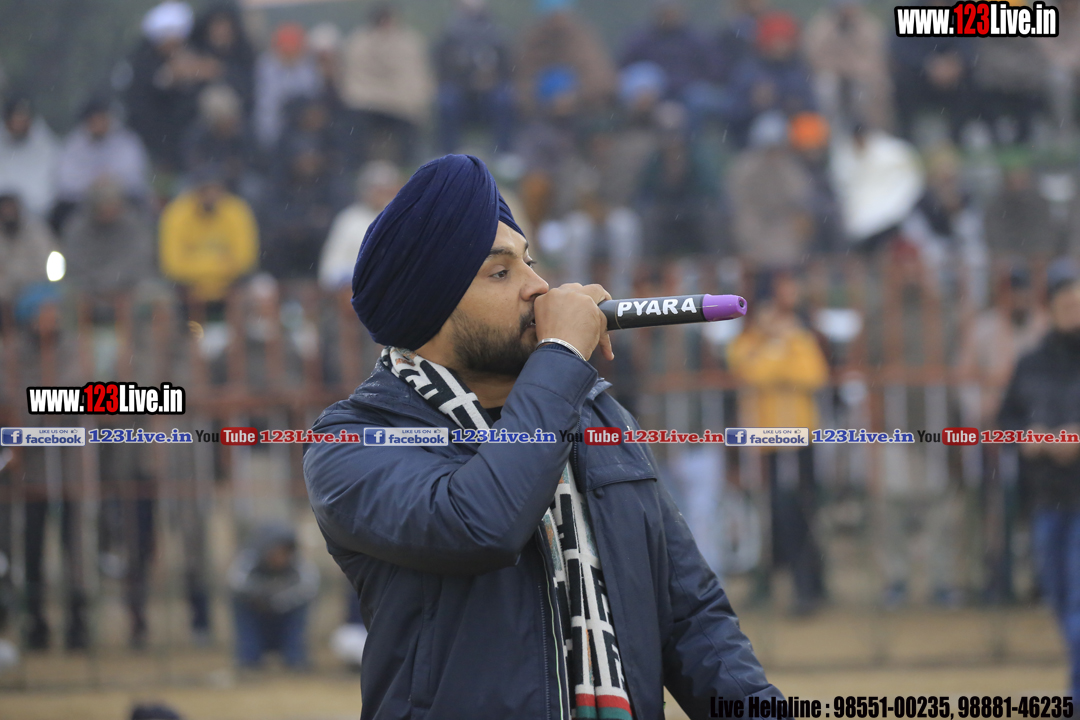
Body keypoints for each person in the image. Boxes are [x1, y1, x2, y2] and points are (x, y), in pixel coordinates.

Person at [303, 153, 787, 717]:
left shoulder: (594, 414)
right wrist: (559, 355)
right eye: (501, 272)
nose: (539, 287)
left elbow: (691, 618)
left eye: (531, 262)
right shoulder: (353, 441)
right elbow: (481, 524)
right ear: (432, 306)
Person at [997, 260, 1080, 699]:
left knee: (1079, 605)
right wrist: (1028, 437)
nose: (1074, 310)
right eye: (1067, 302)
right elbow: (1004, 422)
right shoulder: (1031, 363)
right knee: (1058, 598)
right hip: (1047, 496)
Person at [727, 271, 829, 615]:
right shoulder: (751, 339)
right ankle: (772, 581)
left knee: (801, 511)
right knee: (772, 513)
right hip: (767, 441)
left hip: (799, 438)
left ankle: (809, 585)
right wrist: (777, 353)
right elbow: (748, 371)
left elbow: (812, 375)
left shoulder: (799, 335)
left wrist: (780, 351)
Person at [957, 266, 1049, 603]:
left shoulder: (1043, 328)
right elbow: (964, 378)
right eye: (1012, 293)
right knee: (997, 509)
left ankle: (1041, 580)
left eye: (1023, 292)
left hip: (1037, 434)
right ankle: (1000, 579)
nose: (1018, 299)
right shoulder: (983, 329)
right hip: (994, 432)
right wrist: (981, 412)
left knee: (1038, 506)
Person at [125, 1, 218, 170]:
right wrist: (170, 77)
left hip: (187, 132)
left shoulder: (196, 52)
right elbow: (146, 93)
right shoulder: (144, 61)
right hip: (156, 132)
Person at [340, 4, 434, 166]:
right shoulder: (358, 43)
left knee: (410, 129)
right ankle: (355, 167)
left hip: (400, 105)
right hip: (367, 103)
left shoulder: (408, 43)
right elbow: (355, 80)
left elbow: (415, 77)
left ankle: (410, 167)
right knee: (354, 128)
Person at [159, 166, 258, 303]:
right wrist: (219, 264)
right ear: (195, 191)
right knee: (161, 299)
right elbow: (172, 266)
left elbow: (245, 261)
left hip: (231, 285)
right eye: (206, 190)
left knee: (261, 290)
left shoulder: (237, 210)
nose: (211, 195)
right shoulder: (177, 213)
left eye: (216, 190)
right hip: (187, 287)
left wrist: (195, 263)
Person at [729, 112, 815, 269]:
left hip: (783, 223)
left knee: (787, 251)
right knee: (752, 249)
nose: (773, 153)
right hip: (754, 220)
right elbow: (738, 199)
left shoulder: (790, 169)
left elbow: (800, 199)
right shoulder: (745, 169)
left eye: (776, 148)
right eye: (768, 148)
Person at [228, 522, 319, 670]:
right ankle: (249, 657)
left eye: (285, 552)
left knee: (301, 606)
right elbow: (236, 582)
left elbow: (309, 586)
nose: (280, 557)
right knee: (239, 602)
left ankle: (295, 656)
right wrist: (260, 596)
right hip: (255, 609)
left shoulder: (299, 563)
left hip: (287, 612)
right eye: (275, 551)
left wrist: (281, 600)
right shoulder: (249, 559)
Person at [54, 96, 152, 232]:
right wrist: (93, 184)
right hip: (85, 203)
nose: (98, 124)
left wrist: (111, 182)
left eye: (101, 119)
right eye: (93, 120)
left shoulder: (126, 141)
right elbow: (65, 182)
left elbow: (136, 177)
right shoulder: (74, 144)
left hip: (121, 201)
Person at [722, 11, 817, 148]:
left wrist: (796, 105)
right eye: (776, 40)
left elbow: (812, 104)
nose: (781, 46)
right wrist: (753, 104)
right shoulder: (748, 70)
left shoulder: (798, 68)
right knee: (771, 127)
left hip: (795, 127)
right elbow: (731, 112)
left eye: (785, 40)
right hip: (753, 131)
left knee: (812, 129)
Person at [433, 0, 516, 154]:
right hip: (460, 92)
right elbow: (442, 68)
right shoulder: (449, 34)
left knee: (504, 99)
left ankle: (503, 152)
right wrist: (468, 80)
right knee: (446, 100)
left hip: (490, 93)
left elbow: (507, 68)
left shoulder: (497, 34)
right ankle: (448, 151)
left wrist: (491, 79)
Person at [260, 136, 347, 281]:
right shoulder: (280, 182)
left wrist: (308, 224)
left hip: (317, 241)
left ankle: (317, 284)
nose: (307, 163)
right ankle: (280, 283)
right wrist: (301, 222)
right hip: (286, 239)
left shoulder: (330, 183)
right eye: (303, 158)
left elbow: (336, 216)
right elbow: (272, 214)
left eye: (312, 159)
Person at [890, 0, 977, 142]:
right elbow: (900, 48)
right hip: (920, 76)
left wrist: (954, 63)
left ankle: (958, 138)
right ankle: (907, 138)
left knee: (974, 81)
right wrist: (928, 63)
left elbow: (970, 46)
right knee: (902, 82)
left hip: (954, 77)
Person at [516, 0, 618, 118]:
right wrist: (546, 101)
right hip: (542, 114)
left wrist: (574, 97)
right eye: (552, 15)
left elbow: (600, 80)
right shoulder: (533, 42)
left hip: (584, 110)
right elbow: (524, 81)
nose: (556, 19)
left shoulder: (583, 40)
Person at [803, 0, 893, 133]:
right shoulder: (821, 27)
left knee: (866, 89)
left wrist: (851, 69)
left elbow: (875, 60)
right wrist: (841, 68)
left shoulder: (871, 28)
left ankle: (869, 131)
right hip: (833, 75)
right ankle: (828, 131)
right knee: (826, 86)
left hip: (861, 78)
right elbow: (814, 57)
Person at [318, 161, 402, 291]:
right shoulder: (349, 220)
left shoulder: (403, 218)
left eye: (386, 189)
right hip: (355, 290)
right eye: (376, 189)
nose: (380, 194)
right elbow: (330, 269)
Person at [182, 84, 260, 201]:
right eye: (225, 121)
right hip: (205, 181)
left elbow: (251, 160)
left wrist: (237, 168)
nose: (230, 125)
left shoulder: (242, 133)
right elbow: (194, 165)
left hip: (236, 181)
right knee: (184, 189)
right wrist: (221, 170)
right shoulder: (197, 136)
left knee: (253, 188)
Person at [253, 23, 323, 151]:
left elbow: (311, 95)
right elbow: (268, 105)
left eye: (294, 49)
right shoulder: (265, 67)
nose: (290, 54)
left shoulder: (308, 67)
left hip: (301, 126)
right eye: (286, 50)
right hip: (273, 128)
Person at [188, 2, 256, 115]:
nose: (221, 30)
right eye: (216, 25)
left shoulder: (245, 53)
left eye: (225, 25)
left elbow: (250, 88)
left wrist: (220, 71)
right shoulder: (196, 50)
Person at [0, 95, 59, 219]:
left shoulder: (45, 144)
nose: (20, 123)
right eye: (16, 118)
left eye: (23, 118)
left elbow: (48, 190)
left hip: (37, 218)